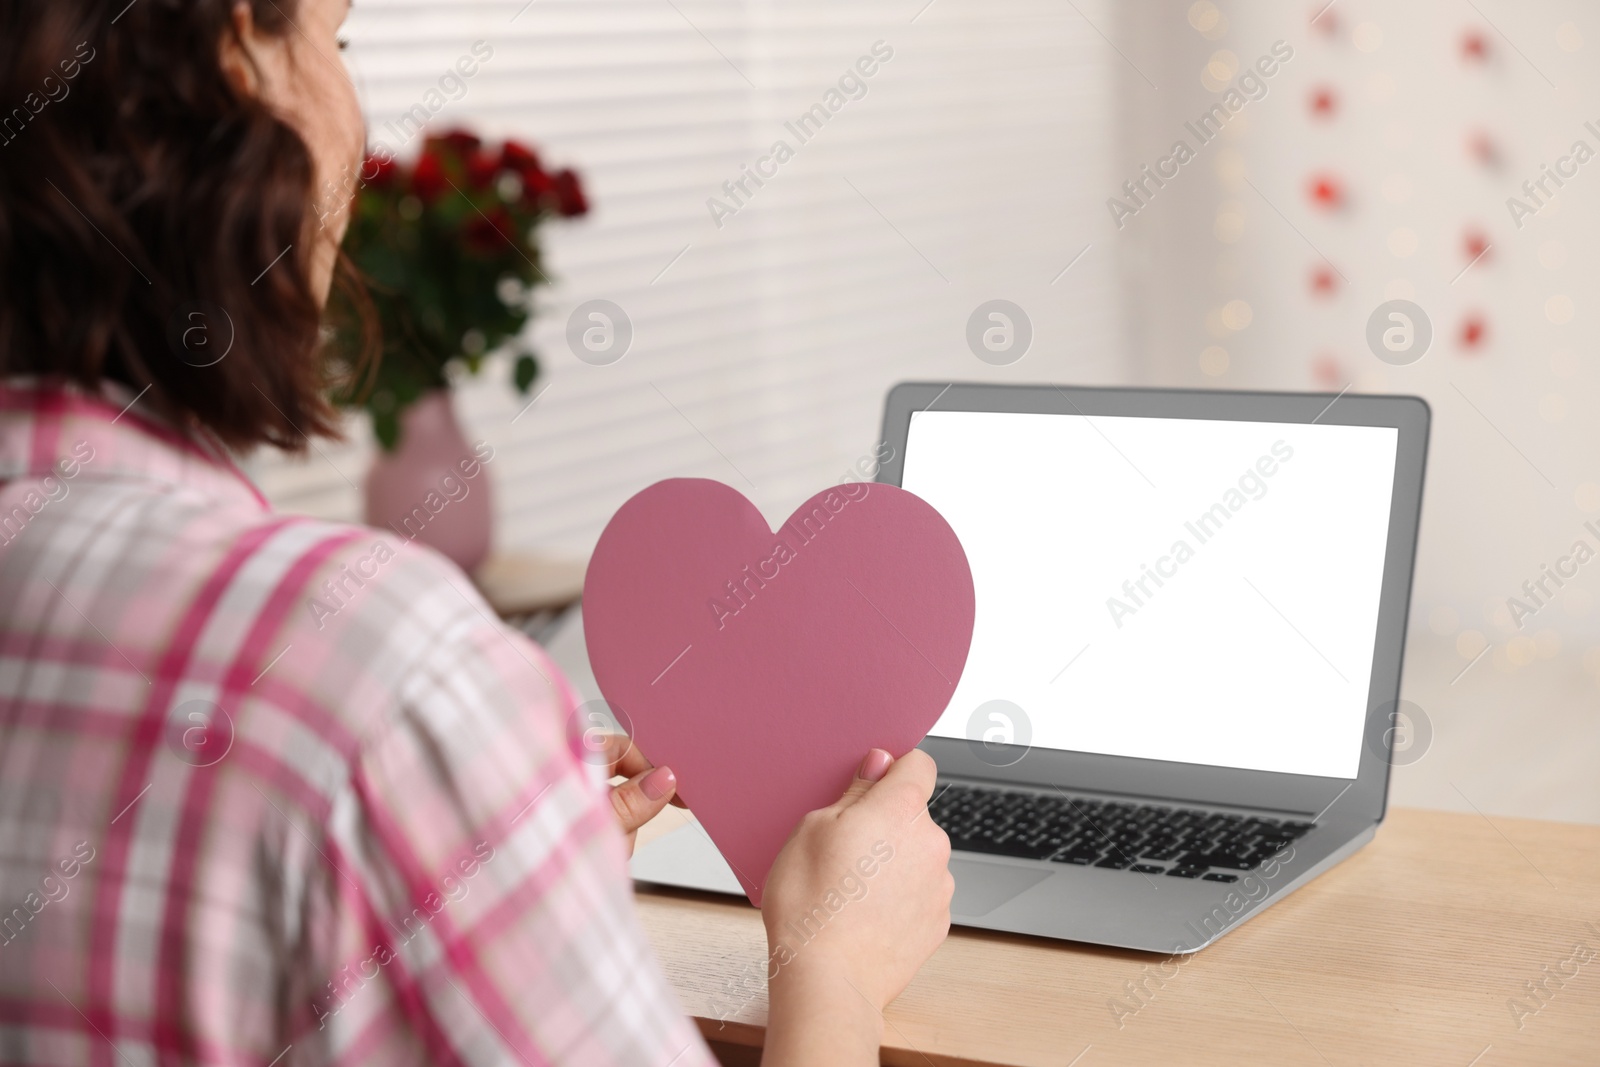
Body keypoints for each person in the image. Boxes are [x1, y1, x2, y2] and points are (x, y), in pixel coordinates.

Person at [0, 0, 953, 1064]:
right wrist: (833, 971)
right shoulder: (369, 668)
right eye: (336, 39)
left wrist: (469, 848)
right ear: (234, 68)